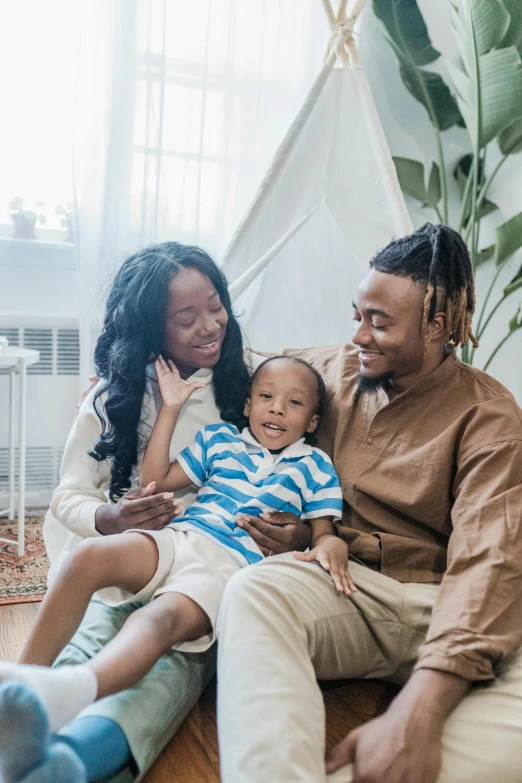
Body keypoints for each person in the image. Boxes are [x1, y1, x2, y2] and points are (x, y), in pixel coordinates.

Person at [216, 223, 522, 783]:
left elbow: (489, 563)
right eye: (357, 314)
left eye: (379, 322)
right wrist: (128, 377)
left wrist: (419, 711)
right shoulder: (330, 371)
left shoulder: (491, 416)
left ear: (436, 326)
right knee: (252, 591)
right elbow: (241, 364)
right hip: (352, 590)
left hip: (447, 604)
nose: (358, 334)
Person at [0, 242, 312, 783]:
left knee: (166, 670)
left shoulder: (258, 383)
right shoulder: (112, 398)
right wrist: (112, 519)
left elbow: (312, 410)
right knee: (90, 647)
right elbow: (68, 495)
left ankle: (69, 764)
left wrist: (300, 533)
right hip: (131, 559)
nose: (211, 325)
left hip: (213, 571)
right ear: (150, 329)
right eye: (187, 319)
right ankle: (16, 698)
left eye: (216, 306)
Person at [0, 354, 351, 740]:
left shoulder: (316, 465)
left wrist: (331, 544)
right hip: (180, 537)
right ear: (249, 404)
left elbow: (322, 532)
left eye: (295, 403)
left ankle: (74, 691)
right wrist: (171, 407)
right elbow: (156, 481)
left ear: (313, 422)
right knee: (87, 557)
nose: (278, 408)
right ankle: (21, 687)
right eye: (266, 396)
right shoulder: (219, 439)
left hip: (229, 568)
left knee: (156, 621)